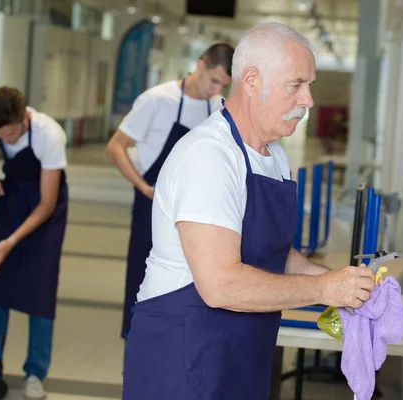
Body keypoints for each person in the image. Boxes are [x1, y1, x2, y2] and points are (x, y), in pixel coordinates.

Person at [121, 22, 379, 399]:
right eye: (297, 85)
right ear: (253, 80)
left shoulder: (273, 154)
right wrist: (323, 288)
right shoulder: (209, 156)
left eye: (310, 86)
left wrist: (342, 286)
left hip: (240, 352)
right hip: (182, 356)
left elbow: (270, 250)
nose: (308, 100)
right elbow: (220, 285)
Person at [105, 42, 234, 338]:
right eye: (214, 80)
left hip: (194, 210)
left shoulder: (215, 108)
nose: (216, 90)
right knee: (142, 281)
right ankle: (135, 355)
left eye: (223, 85)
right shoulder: (157, 99)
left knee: (189, 282)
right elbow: (115, 148)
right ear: (200, 65)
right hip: (151, 205)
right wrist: (142, 186)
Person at [0, 86, 68, 398]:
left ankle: (35, 373)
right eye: (3, 134)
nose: (9, 138)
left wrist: (12, 240)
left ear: (24, 117)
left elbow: (47, 203)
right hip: (11, 195)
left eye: (13, 132)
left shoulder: (49, 135)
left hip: (45, 209)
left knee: (40, 290)